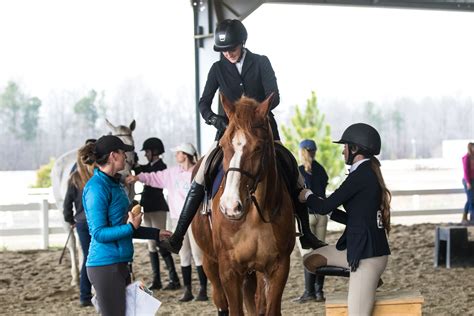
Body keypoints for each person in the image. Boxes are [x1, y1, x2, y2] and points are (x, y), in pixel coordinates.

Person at [160, 18, 325, 254]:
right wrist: (213, 119)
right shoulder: (217, 69)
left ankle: (306, 232)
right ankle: (178, 235)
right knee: (202, 171)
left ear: (243, 43)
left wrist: (255, 112)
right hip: (229, 132)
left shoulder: (260, 62)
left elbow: (274, 94)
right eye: (224, 50)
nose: (228, 54)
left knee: (290, 167)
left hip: (261, 131)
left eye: (232, 49)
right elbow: (204, 102)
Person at [299, 123, 391, 316]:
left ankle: (367, 277)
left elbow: (323, 206)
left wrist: (307, 195)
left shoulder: (360, 175)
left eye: (345, 147)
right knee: (310, 260)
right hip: (358, 249)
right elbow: (354, 218)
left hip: (366, 256)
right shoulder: (365, 173)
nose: (342, 152)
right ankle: (365, 278)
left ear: (355, 148)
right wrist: (331, 211)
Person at [82, 135, 172, 316]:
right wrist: (130, 227)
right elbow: (99, 233)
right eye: (124, 153)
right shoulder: (96, 188)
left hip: (119, 263)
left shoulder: (114, 184)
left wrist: (155, 233)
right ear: (113, 155)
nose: (127, 157)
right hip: (106, 265)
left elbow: (124, 227)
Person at [127, 143, 208, 302]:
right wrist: (138, 177)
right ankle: (188, 291)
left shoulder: (199, 173)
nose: (176, 155)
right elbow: (154, 176)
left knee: (198, 255)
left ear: (185, 154)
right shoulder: (172, 173)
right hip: (178, 218)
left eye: (178, 153)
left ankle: (203, 290)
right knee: (184, 255)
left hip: (196, 219)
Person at [133, 137, 180, 291]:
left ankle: (174, 278)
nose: (145, 154)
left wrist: (138, 168)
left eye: (147, 151)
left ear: (154, 152)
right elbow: (143, 170)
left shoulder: (161, 166)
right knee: (151, 244)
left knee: (161, 242)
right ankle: (157, 279)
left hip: (158, 207)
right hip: (147, 207)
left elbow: (147, 173)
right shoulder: (149, 166)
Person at [294, 140, 329, 303]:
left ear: (302, 152)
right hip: (322, 216)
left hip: (306, 217)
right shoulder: (321, 170)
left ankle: (309, 292)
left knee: (308, 255)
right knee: (320, 252)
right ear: (314, 152)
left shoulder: (298, 172)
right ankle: (319, 292)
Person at [63, 143, 95, 307]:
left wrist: (70, 220)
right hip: (94, 222)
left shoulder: (74, 177)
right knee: (96, 257)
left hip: (81, 223)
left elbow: (67, 203)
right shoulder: (96, 176)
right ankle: (91, 293)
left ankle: (85, 295)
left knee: (88, 258)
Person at [461, 142, 474, 224]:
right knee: (471, 200)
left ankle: (466, 217)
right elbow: (466, 171)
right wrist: (468, 182)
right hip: (468, 181)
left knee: (471, 199)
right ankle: (469, 218)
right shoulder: (467, 158)